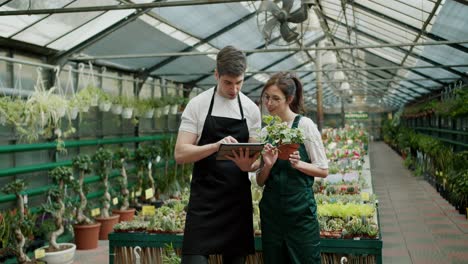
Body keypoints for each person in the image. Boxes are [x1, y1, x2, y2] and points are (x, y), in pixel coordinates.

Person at [174, 45, 262, 264]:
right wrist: (215, 146)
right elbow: (180, 153)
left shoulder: (251, 110)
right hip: (204, 201)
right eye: (228, 83)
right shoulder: (198, 105)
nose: (234, 89)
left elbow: (256, 160)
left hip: (236, 201)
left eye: (239, 82)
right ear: (216, 74)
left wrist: (248, 166)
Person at [256, 72, 329, 264]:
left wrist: (299, 164)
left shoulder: (304, 126)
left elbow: (323, 169)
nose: (269, 103)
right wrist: (268, 166)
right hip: (272, 214)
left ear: (289, 99)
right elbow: (260, 181)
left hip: (300, 212)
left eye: (275, 98)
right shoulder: (266, 131)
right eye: (266, 97)